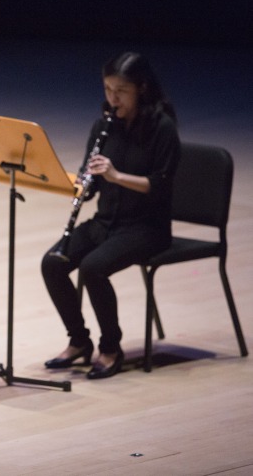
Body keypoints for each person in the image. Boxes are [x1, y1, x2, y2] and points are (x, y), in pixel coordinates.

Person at [41, 52, 181, 380]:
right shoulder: (105, 124)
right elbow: (89, 177)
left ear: (142, 89)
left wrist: (116, 176)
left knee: (93, 268)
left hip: (147, 227)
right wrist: (78, 184)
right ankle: (78, 341)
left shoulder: (162, 127)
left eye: (121, 91)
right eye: (107, 89)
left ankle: (110, 348)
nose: (112, 98)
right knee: (52, 263)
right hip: (107, 223)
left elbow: (160, 186)